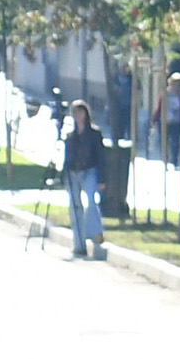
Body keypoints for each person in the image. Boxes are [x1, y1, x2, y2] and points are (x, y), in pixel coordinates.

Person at [60, 99, 108, 257]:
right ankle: (79, 245)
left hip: (89, 171)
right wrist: (63, 176)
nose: (78, 115)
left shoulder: (95, 134)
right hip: (73, 173)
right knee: (75, 208)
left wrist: (102, 179)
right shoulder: (71, 136)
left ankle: (96, 236)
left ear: (86, 114)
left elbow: (101, 157)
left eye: (80, 112)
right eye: (74, 112)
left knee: (91, 202)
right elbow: (66, 158)